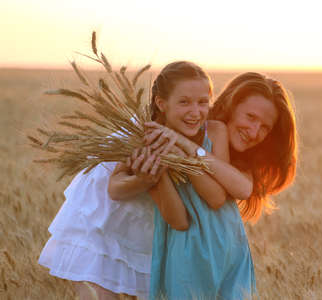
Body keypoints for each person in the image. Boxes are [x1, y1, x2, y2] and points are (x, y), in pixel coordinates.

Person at [38, 61, 214, 300]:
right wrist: (144, 180)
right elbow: (115, 189)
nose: (195, 112)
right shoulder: (143, 131)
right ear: (162, 103)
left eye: (203, 102)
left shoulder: (201, 136)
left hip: (140, 230)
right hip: (100, 221)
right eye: (184, 102)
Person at [135, 71, 298, 299]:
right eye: (251, 117)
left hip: (227, 255)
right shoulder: (197, 128)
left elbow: (242, 189)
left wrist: (186, 147)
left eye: (264, 127)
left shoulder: (246, 159)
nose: (254, 132)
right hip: (184, 252)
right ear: (232, 105)